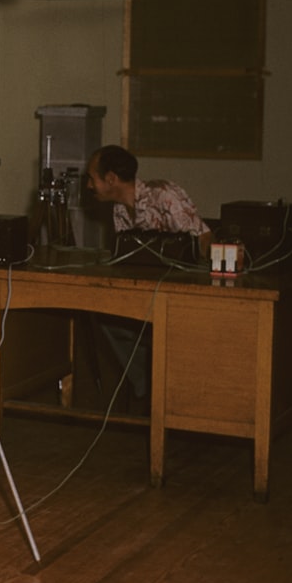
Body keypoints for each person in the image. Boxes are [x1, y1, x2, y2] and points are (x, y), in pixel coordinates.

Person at [84, 145, 211, 401]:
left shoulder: (164, 195)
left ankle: (166, 391)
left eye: (91, 178)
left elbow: (205, 239)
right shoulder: (119, 210)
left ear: (111, 179)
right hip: (146, 293)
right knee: (108, 318)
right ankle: (149, 390)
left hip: (180, 294)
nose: (88, 186)